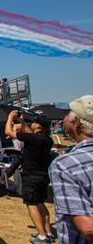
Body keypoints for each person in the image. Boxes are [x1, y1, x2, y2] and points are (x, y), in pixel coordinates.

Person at [5, 111, 54, 244]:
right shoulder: (47, 139)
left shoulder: (34, 138)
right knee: (40, 203)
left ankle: (42, 236)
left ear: (38, 127)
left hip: (31, 176)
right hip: (42, 176)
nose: (31, 124)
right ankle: (48, 232)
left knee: (31, 204)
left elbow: (9, 132)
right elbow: (30, 133)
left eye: (34, 122)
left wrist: (10, 118)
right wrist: (22, 122)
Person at [50, 95, 93, 244]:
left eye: (68, 114)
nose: (64, 118)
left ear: (78, 122)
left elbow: (88, 227)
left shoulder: (66, 164)